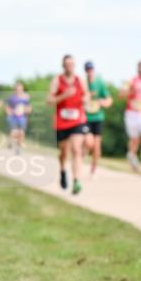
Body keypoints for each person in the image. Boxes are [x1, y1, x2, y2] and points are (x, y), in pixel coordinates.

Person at [46, 54, 89, 194]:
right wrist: (64, 95)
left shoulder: (80, 80)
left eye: (72, 64)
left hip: (77, 120)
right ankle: (63, 170)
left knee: (77, 149)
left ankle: (76, 181)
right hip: (61, 122)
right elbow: (49, 101)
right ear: (63, 66)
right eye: (67, 64)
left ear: (74, 65)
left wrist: (86, 100)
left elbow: (87, 95)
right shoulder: (57, 81)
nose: (69, 66)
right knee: (64, 152)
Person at [83, 61, 113, 176]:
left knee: (96, 146)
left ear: (93, 70)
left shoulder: (100, 83)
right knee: (89, 142)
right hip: (85, 117)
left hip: (98, 117)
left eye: (91, 69)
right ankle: (82, 154)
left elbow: (109, 100)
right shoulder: (83, 83)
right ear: (85, 71)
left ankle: (93, 168)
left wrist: (103, 102)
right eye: (87, 69)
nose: (89, 71)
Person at [5, 82, 32, 154]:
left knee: (21, 133)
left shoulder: (26, 98)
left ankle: (18, 148)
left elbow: (29, 108)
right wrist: (11, 112)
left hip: (22, 118)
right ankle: (10, 141)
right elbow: (7, 108)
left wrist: (26, 110)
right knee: (14, 132)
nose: (19, 90)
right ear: (15, 89)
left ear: (22, 89)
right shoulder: (11, 98)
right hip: (13, 117)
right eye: (17, 89)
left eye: (20, 89)